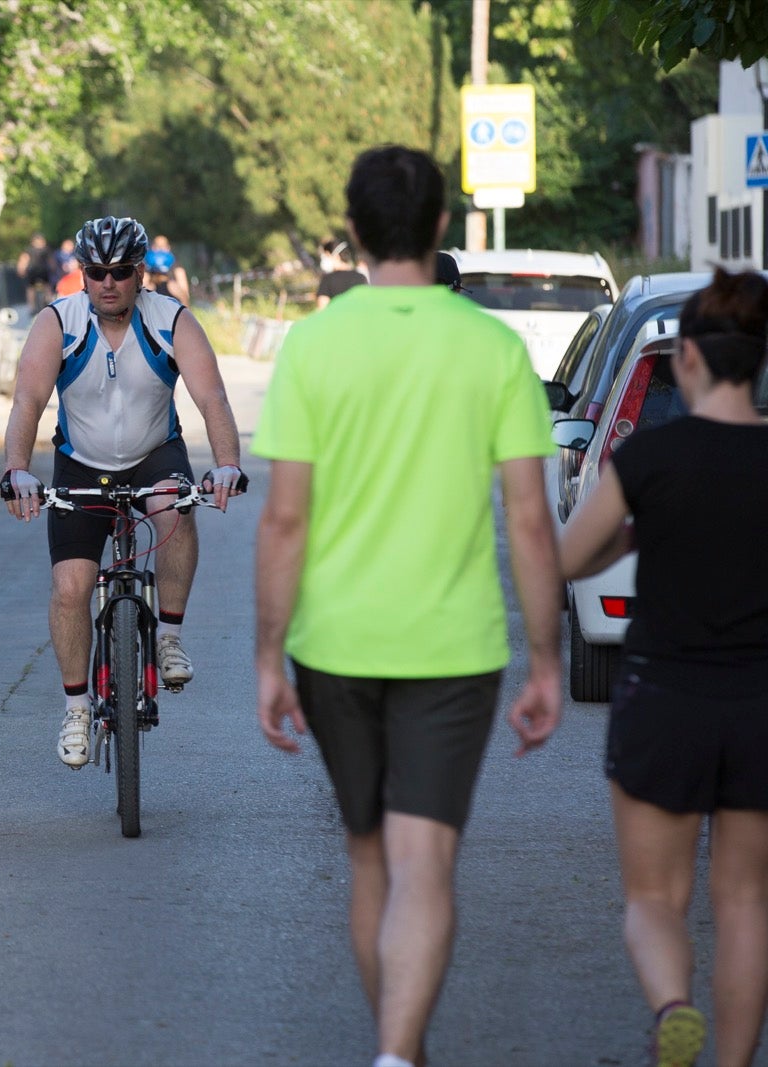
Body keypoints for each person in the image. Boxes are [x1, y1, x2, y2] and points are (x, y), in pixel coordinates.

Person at [251, 146, 562, 1067]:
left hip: (334, 645)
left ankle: (398, 1051)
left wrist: (268, 659)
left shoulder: (315, 344)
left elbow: (284, 520)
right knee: (425, 862)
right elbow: (532, 524)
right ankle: (399, 1055)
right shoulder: (493, 349)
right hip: (454, 651)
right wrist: (548, 660)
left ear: (353, 232)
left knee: (369, 860)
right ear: (438, 228)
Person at [559, 268, 768, 1067]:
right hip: (760, 702)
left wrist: (633, 532)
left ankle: (674, 1006)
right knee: (746, 900)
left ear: (687, 361)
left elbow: (570, 555)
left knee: (654, 898)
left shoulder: (652, 455)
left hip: (663, 698)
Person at [2, 216, 245, 768]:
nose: (107, 283)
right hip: (80, 463)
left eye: (120, 272)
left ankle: (170, 636)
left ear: (141, 275)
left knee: (173, 508)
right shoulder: (56, 323)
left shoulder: (172, 320)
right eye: (95, 272)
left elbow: (213, 399)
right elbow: (27, 404)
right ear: (81, 275)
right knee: (72, 587)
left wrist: (227, 464)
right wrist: (17, 470)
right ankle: (76, 708)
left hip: (154, 453)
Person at [314, 238, 367, 308]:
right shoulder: (361, 277)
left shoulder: (327, 280)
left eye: (326, 256)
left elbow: (322, 308)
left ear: (336, 256)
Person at [145, 234, 192, 304]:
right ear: (153, 247)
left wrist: (176, 289)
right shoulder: (147, 268)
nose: (160, 249)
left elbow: (186, 299)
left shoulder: (177, 268)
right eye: (158, 246)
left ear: (168, 248)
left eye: (163, 246)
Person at [16, 233, 55, 314]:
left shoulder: (29, 249)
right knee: (46, 287)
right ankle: (50, 303)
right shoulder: (46, 249)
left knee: (31, 288)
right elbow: (51, 261)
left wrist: (21, 269)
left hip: (33, 271)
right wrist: (53, 268)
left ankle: (32, 307)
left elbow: (24, 260)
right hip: (41, 271)